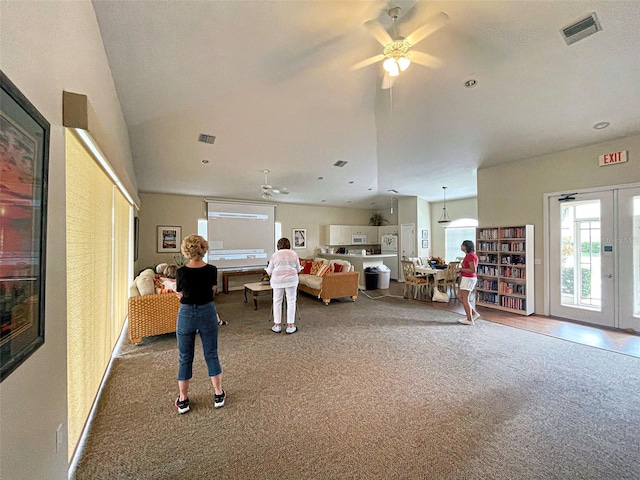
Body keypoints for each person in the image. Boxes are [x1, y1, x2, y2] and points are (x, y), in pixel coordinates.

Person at [174, 234, 225, 414]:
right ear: (203, 249)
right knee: (211, 354)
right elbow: (213, 290)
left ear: (186, 250)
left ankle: (183, 400)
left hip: (186, 314)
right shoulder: (212, 270)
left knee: (185, 357)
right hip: (207, 312)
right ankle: (218, 394)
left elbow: (180, 294)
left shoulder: (180, 272)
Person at [266, 237, 302, 334]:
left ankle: (277, 325)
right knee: (291, 301)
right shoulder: (294, 254)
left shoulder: (274, 255)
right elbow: (298, 269)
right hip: (291, 280)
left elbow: (269, 271)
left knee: (277, 302)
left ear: (278, 245)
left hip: (277, 281)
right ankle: (290, 325)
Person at [457, 239, 480, 325]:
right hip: (466, 278)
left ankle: (469, 319)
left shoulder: (471, 256)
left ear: (466, 247)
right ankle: (473, 313)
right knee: (459, 296)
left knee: (465, 299)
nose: (461, 246)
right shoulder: (468, 255)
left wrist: (461, 269)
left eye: (462, 245)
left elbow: (473, 270)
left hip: (468, 278)